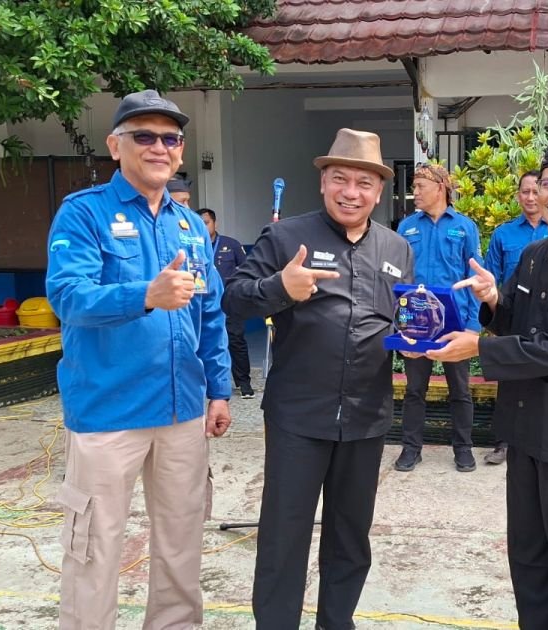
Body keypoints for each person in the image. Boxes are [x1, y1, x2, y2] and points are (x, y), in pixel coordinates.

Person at [46, 89, 232, 630]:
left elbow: (211, 312)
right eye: (143, 136)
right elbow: (68, 297)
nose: (159, 147)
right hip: (108, 412)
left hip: (181, 413)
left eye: (170, 138)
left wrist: (218, 389)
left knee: (181, 542)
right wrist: (144, 295)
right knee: (94, 549)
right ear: (115, 145)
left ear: (180, 151)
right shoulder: (85, 215)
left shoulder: (189, 225)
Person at [428, 140, 548, 630]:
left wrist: (477, 348)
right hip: (528, 428)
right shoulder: (535, 255)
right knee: (529, 561)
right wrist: (494, 298)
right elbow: (516, 320)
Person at [224, 128, 414, 630]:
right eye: (340, 179)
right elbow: (234, 298)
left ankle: (337, 622)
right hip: (297, 417)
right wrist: (278, 287)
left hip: (366, 416)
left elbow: (405, 319)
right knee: (284, 536)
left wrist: (427, 336)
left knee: (351, 537)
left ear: (379, 190)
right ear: (324, 182)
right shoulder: (287, 237)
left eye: (364, 183)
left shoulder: (396, 248)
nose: (351, 192)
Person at [394, 162, 482, 473]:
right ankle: (411, 448)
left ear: (439, 188)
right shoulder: (406, 227)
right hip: (417, 322)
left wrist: (473, 327)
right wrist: (400, 327)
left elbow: (474, 278)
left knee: (460, 389)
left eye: (420, 186)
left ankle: (463, 448)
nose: (414, 192)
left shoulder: (465, 227)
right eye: (414, 186)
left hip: (454, 323)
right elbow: (398, 276)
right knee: (415, 389)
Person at [480, 169, 548, 465]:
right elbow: (490, 277)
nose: (531, 197)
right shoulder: (503, 234)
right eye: (525, 192)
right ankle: (503, 443)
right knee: (508, 383)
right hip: (512, 315)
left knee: (544, 380)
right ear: (518, 195)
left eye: (536, 191)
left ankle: (540, 441)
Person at [202, 207, 255, 398]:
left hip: (229, 302)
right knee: (206, 342)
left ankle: (244, 382)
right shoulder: (193, 243)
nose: (203, 226)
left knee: (236, 340)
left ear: (215, 223)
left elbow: (247, 269)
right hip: (204, 303)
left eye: (206, 222)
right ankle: (210, 385)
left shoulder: (230, 245)